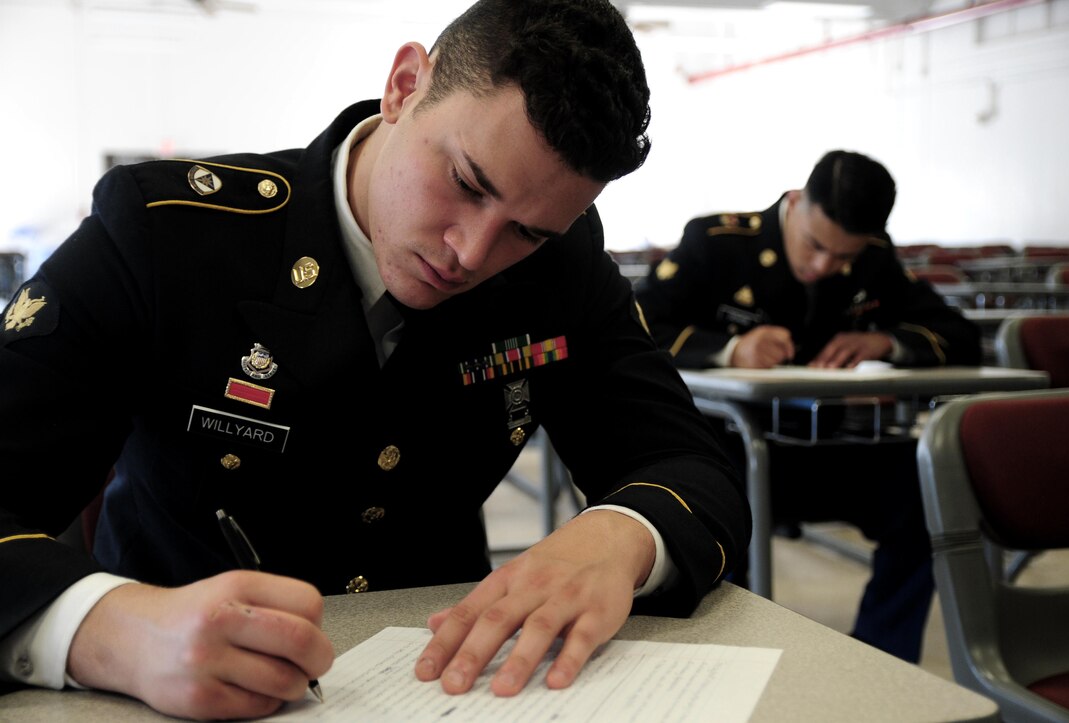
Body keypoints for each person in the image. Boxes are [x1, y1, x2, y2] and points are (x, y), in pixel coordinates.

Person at [0, 1, 751, 720]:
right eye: (465, 182)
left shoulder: (561, 268)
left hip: (444, 686)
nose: (472, 252)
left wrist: (620, 535)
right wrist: (105, 629)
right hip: (168, 695)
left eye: (526, 232)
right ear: (402, 87)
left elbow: (692, 463)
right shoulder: (167, 236)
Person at [634, 150, 982, 663]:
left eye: (843, 258)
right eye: (816, 246)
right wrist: (729, 350)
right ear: (796, 202)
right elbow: (637, 325)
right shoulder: (717, 243)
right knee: (714, 514)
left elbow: (960, 336)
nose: (824, 267)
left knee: (928, 490)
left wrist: (888, 343)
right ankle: (719, 664)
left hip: (825, 450)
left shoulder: (874, 258)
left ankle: (881, 661)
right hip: (720, 451)